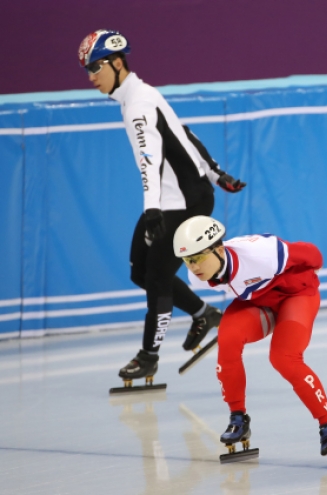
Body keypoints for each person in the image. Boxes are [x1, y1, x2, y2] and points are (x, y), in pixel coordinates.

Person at [78, 29, 247, 385]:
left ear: (118, 62)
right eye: (87, 70)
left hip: (182, 203)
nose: (91, 76)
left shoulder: (138, 103)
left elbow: (149, 160)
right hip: (168, 199)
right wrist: (217, 174)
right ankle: (204, 314)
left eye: (96, 67)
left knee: (156, 277)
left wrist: (154, 208)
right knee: (139, 272)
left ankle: (149, 357)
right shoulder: (139, 96)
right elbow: (183, 133)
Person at [172, 216, 327, 465]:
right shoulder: (196, 277)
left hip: (296, 295)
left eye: (198, 257)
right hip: (260, 303)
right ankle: (238, 419)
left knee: (283, 358)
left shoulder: (261, 253)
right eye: (187, 260)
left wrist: (309, 275)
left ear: (219, 249)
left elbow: (313, 254)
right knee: (228, 339)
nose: (194, 266)